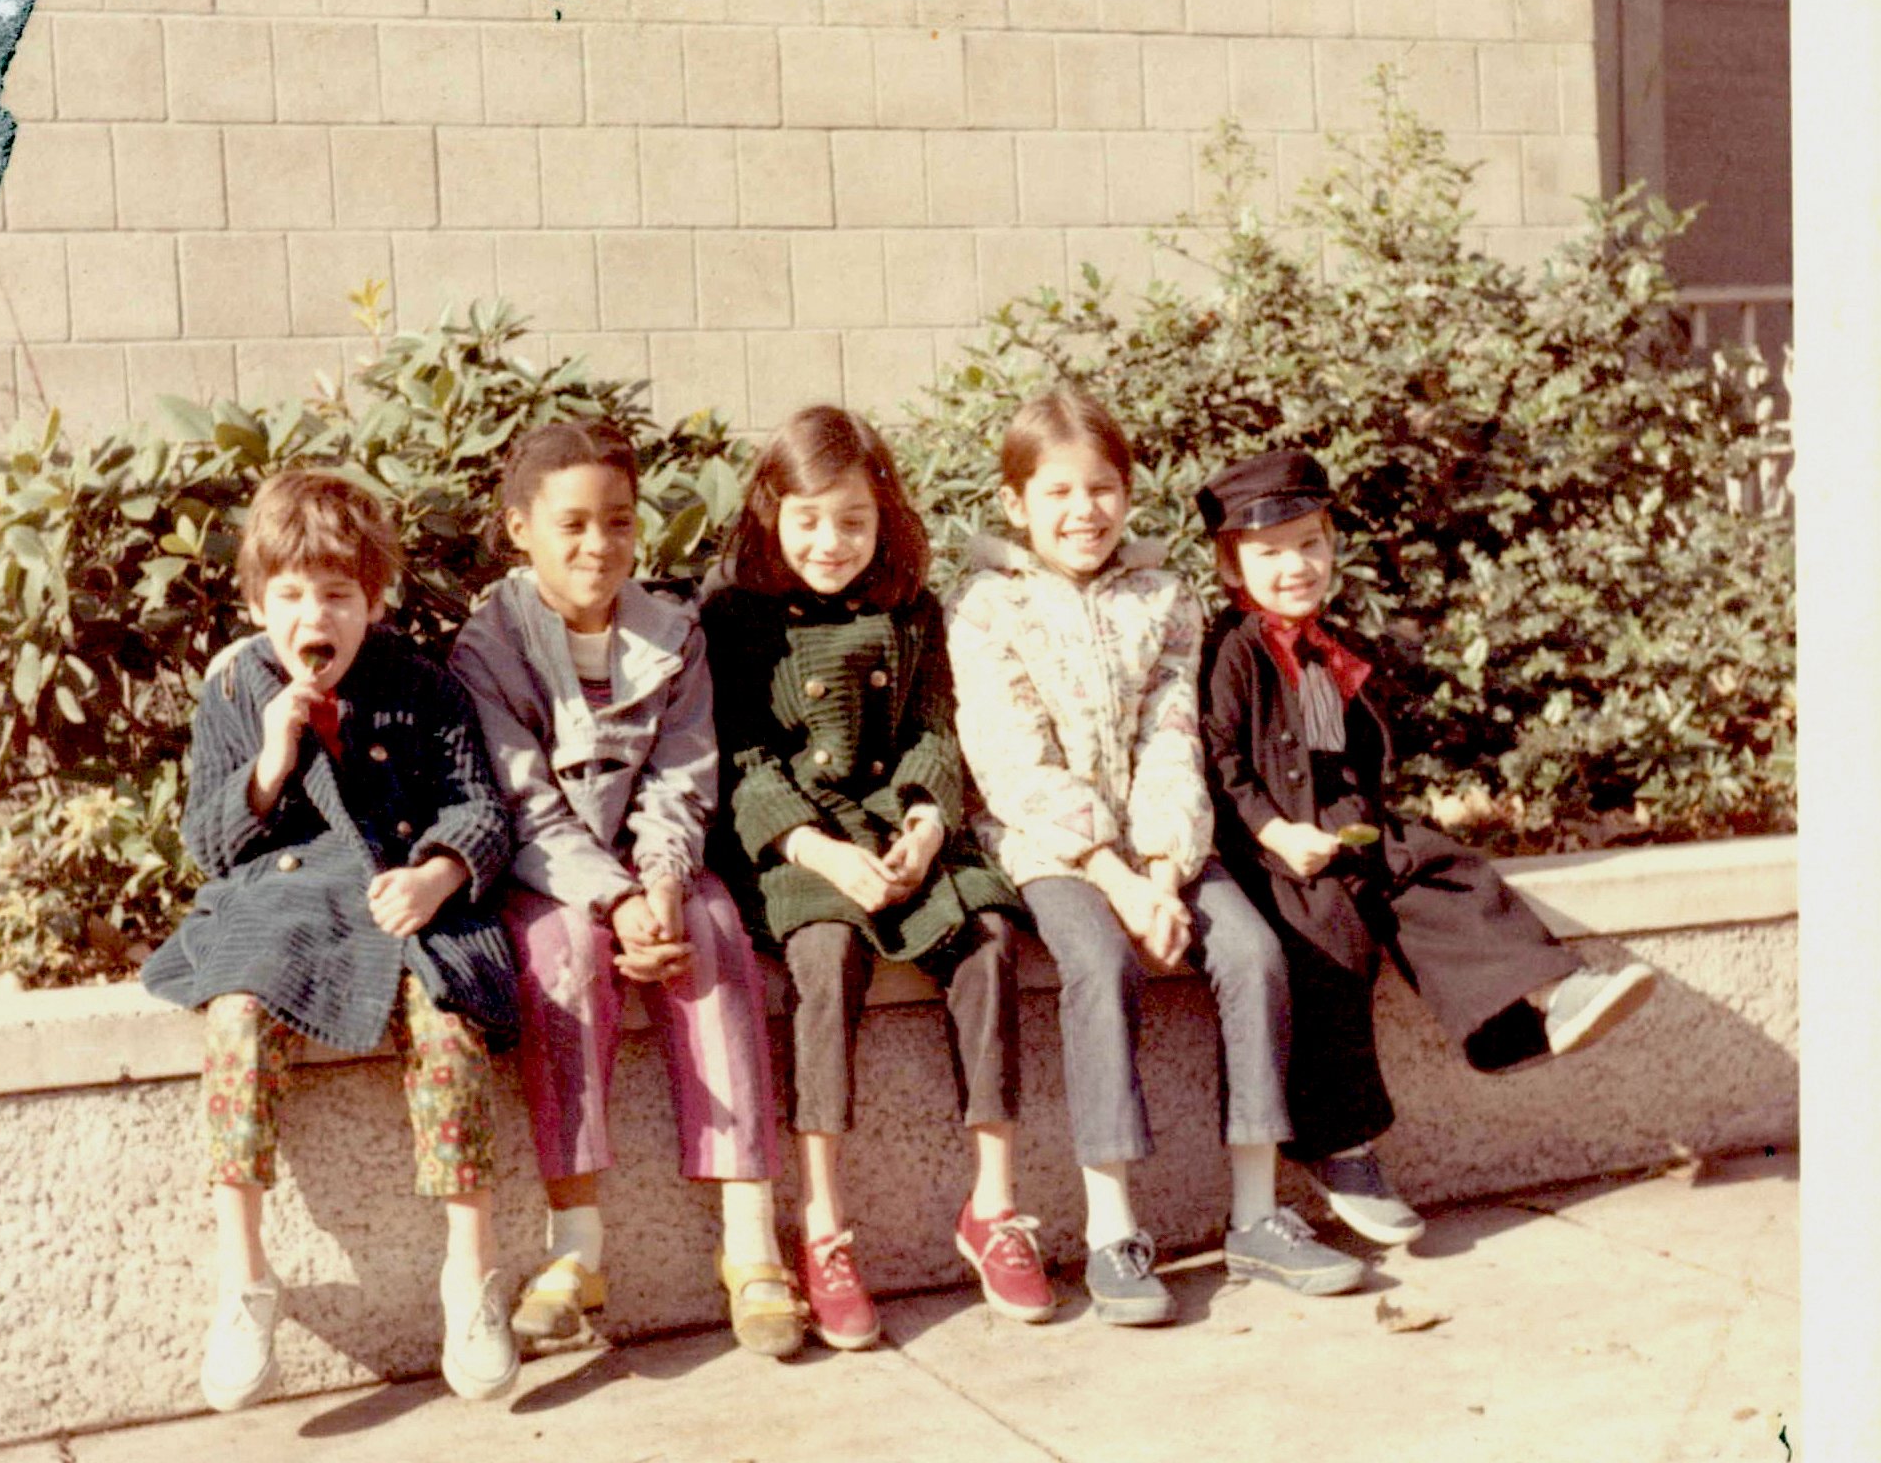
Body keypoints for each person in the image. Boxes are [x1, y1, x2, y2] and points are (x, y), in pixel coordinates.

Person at [946, 389, 1363, 1323]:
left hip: (1160, 845)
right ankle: (1112, 1228)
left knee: (1253, 954)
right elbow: (1012, 761)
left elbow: (1173, 737)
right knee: (1096, 963)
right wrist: (1117, 883)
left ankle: (1256, 1216)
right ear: (1016, 503)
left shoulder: (1163, 599)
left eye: (1104, 489)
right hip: (1055, 849)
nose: (1083, 511)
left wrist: (1168, 873)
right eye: (1057, 492)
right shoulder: (986, 609)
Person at [1197, 446, 1658, 1230]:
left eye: (1311, 543)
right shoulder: (1234, 650)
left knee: (1440, 868)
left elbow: (1348, 752)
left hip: (1341, 820)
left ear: (1333, 544)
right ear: (1231, 564)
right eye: (1269, 553)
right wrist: (1278, 832)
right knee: (1327, 933)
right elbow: (1220, 763)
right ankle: (1337, 1144)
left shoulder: (1325, 643)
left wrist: (1366, 822)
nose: (1295, 566)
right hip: (1269, 841)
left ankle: (1539, 1006)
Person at [144, 469, 523, 1412]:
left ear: (374, 602)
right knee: (233, 1024)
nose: (315, 616)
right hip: (285, 907)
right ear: (257, 601)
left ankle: (468, 1276)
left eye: (339, 596)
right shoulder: (236, 686)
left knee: (449, 1021)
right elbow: (205, 845)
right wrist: (271, 760)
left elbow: (478, 804)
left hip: (402, 898)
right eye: (291, 595)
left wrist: (440, 874)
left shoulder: (421, 686)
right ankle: (244, 1281)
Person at [448, 421, 805, 1360]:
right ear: (519, 527)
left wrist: (661, 880)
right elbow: (522, 805)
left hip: (655, 864)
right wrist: (612, 900)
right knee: (561, 959)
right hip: (550, 874)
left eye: (617, 522)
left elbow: (681, 779)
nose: (597, 546)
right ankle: (578, 1247)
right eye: (570, 524)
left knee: (714, 936)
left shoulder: (670, 633)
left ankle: (751, 1239)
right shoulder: (488, 647)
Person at [700, 404, 1049, 1351]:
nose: (830, 541)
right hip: (799, 846)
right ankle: (821, 1224)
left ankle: (994, 1202)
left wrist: (931, 823)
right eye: (808, 519)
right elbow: (743, 759)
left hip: (899, 827)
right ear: (771, 514)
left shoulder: (911, 608)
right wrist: (814, 851)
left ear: (882, 519)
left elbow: (935, 730)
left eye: (852, 520)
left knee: (986, 940)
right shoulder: (734, 616)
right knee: (824, 956)